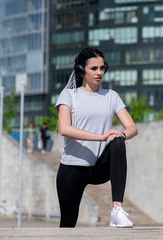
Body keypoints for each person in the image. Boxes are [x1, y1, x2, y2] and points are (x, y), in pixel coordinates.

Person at [55, 47, 138, 228]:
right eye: (94, 68)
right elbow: (64, 129)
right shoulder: (69, 95)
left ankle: (117, 209)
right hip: (72, 167)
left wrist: (121, 134)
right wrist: (101, 137)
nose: (99, 72)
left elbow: (132, 128)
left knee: (118, 141)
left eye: (102, 68)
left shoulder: (112, 96)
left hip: (99, 167)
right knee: (67, 224)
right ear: (81, 70)